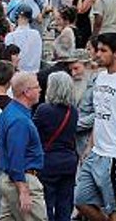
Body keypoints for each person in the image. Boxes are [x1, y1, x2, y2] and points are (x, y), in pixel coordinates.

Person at [74, 33, 116, 221]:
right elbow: (100, 115)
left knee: (115, 209)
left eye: (104, 50)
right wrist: (89, 146)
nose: (98, 54)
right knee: (80, 200)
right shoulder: (101, 78)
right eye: (98, 49)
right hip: (97, 152)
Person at [0, 72, 47, 221]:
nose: (40, 90)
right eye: (36, 87)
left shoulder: (11, 111)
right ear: (26, 92)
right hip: (23, 179)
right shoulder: (20, 120)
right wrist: (23, 190)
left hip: (10, 179)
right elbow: (16, 156)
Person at [34, 72, 79, 221]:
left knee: (47, 204)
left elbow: (34, 135)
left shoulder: (43, 110)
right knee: (65, 204)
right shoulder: (73, 111)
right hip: (69, 161)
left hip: (48, 162)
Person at [6, 8, 44, 74]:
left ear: (18, 17)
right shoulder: (36, 34)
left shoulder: (11, 36)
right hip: (35, 74)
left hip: (18, 74)